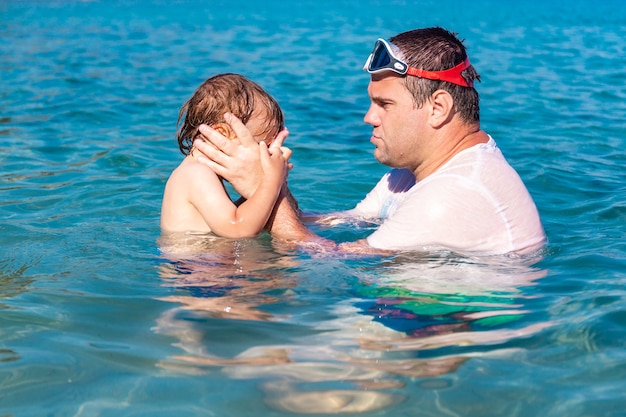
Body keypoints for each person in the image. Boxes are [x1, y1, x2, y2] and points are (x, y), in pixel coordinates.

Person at [192, 27, 547, 256]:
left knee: (271, 362)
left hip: (452, 328)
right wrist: (271, 185)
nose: (368, 117)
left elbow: (330, 262)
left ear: (438, 108)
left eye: (384, 104)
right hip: (417, 310)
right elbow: (342, 222)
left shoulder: (453, 193)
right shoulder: (410, 174)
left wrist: (262, 187)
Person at [160, 73, 290, 238]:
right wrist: (272, 180)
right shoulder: (196, 174)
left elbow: (241, 216)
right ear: (222, 133)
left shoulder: (200, 172)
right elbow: (238, 228)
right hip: (191, 264)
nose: (265, 155)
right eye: (260, 146)